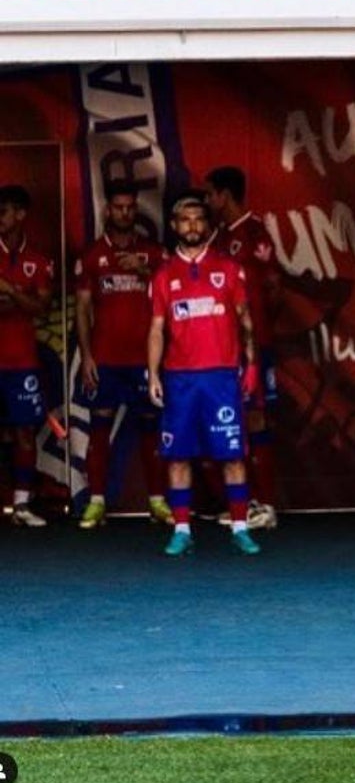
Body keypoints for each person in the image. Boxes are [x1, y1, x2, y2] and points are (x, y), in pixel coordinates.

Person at [148, 191, 261, 557]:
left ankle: (241, 527)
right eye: (185, 220)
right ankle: (181, 529)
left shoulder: (228, 268)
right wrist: (152, 374)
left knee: (232, 456)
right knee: (178, 457)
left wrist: (252, 363)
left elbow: (245, 319)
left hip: (221, 378)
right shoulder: (164, 275)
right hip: (179, 380)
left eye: (198, 219)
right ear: (174, 226)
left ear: (207, 225)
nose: (192, 226)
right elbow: (156, 329)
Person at [75, 180, 172, 528]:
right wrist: (86, 356)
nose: (125, 213)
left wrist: (143, 270)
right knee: (98, 428)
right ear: (107, 210)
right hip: (106, 358)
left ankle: (158, 502)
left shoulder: (155, 254)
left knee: (151, 428)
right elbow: (83, 309)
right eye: (119, 207)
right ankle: (97, 502)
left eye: (130, 207)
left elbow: (174, 293)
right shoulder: (92, 255)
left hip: (144, 359)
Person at [205, 166, 282, 529]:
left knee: (256, 418)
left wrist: (260, 328)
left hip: (256, 344)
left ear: (225, 195)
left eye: (211, 194)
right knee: (233, 422)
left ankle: (266, 506)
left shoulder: (255, 233)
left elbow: (273, 290)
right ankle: (245, 503)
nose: (207, 201)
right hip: (225, 348)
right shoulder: (219, 237)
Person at [0, 184, 53, 527]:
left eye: (3, 212)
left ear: (20, 214)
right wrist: (23, 299)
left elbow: (42, 307)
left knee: (24, 431)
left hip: (21, 360)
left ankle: (21, 505)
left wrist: (8, 291)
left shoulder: (39, 259)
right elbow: (29, 303)